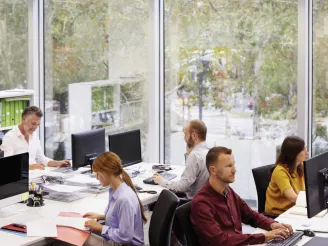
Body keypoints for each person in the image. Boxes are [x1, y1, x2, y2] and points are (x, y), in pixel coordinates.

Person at [190, 146, 293, 246]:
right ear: (213, 170)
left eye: (233, 165)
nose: (234, 170)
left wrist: (272, 224)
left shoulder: (228, 191)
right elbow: (220, 240)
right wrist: (264, 237)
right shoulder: (201, 203)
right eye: (228, 166)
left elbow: (251, 215)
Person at [82, 152, 146, 246]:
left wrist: (100, 228)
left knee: (82, 237)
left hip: (124, 244)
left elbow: (125, 237)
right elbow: (121, 217)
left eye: (98, 174)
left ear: (106, 172)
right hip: (119, 241)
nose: (97, 178)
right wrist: (102, 216)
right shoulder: (116, 190)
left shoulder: (123, 199)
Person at [152, 119, 209, 199]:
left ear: (194, 136)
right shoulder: (209, 152)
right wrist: (188, 154)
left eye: (185, 134)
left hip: (190, 203)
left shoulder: (195, 155)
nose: (184, 138)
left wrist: (162, 181)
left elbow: (183, 186)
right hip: (201, 200)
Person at [0, 106, 70, 170]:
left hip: (36, 176)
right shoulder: (9, 137)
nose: (35, 128)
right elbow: (7, 165)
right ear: (23, 119)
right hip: (20, 179)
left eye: (38, 124)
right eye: (33, 124)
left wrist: (57, 163)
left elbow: (41, 159)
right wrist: (29, 167)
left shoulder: (34, 135)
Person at [265, 136, 308, 215]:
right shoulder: (280, 171)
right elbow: (292, 198)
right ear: (293, 153)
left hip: (296, 208)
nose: (306, 152)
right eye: (303, 150)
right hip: (279, 213)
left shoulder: (300, 165)